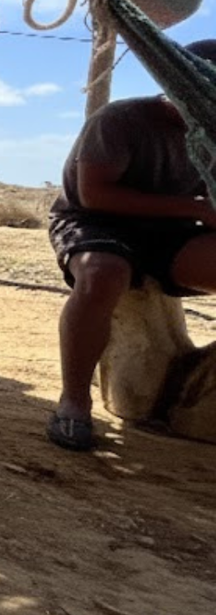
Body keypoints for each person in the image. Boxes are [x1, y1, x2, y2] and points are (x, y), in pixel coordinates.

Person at [45, 38, 216, 451]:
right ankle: (74, 401)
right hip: (93, 223)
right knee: (103, 274)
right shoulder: (121, 119)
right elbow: (95, 196)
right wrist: (194, 208)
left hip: (169, 231)